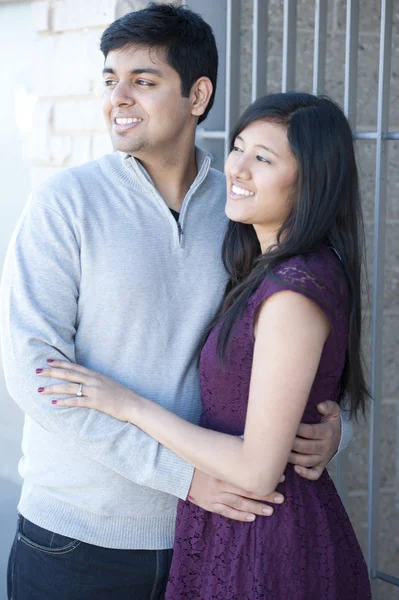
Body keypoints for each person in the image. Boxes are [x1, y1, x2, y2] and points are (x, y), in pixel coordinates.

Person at [1, 5, 351, 599]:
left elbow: (277, 346)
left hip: (211, 534)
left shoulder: (242, 207)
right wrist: (182, 476)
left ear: (198, 95)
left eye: (143, 80)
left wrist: (325, 426)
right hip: (80, 540)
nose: (118, 98)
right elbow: (36, 378)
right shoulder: (65, 202)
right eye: (110, 80)